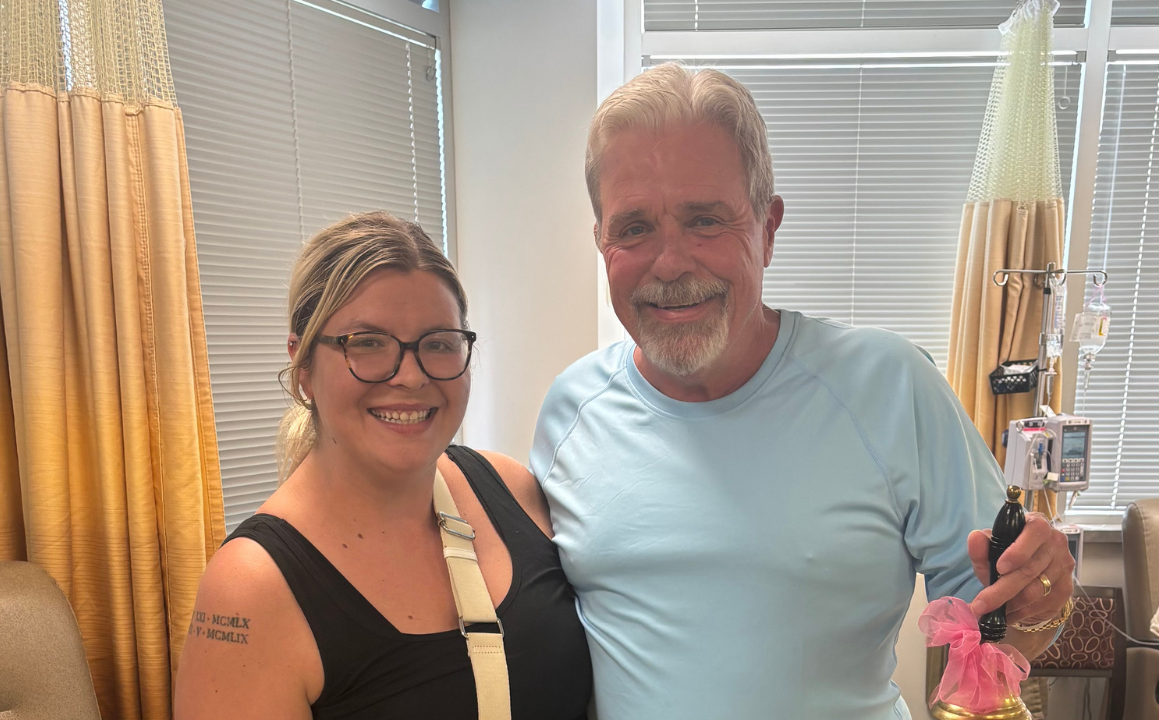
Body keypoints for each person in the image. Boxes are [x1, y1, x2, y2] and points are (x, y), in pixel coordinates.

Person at [530, 63, 1076, 719]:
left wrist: (1041, 598)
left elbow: (1004, 618)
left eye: (705, 220)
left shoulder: (890, 385)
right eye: (634, 227)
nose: (670, 262)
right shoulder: (570, 411)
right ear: (601, 242)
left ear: (768, 228)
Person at [174, 212, 592, 720]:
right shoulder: (252, 588)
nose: (411, 376)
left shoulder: (510, 490)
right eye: (368, 344)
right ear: (303, 365)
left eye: (438, 344)